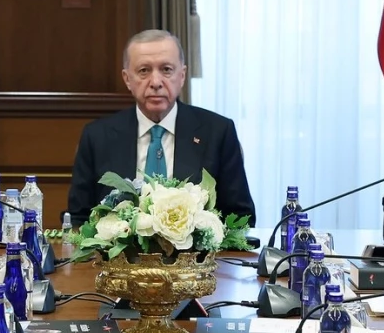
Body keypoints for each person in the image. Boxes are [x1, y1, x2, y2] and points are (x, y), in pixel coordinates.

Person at [67, 30, 256, 224]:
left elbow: (242, 217)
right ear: (127, 79)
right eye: (144, 71)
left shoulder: (217, 133)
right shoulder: (97, 137)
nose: (156, 82)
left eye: (166, 70)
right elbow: (78, 218)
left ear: (182, 76)